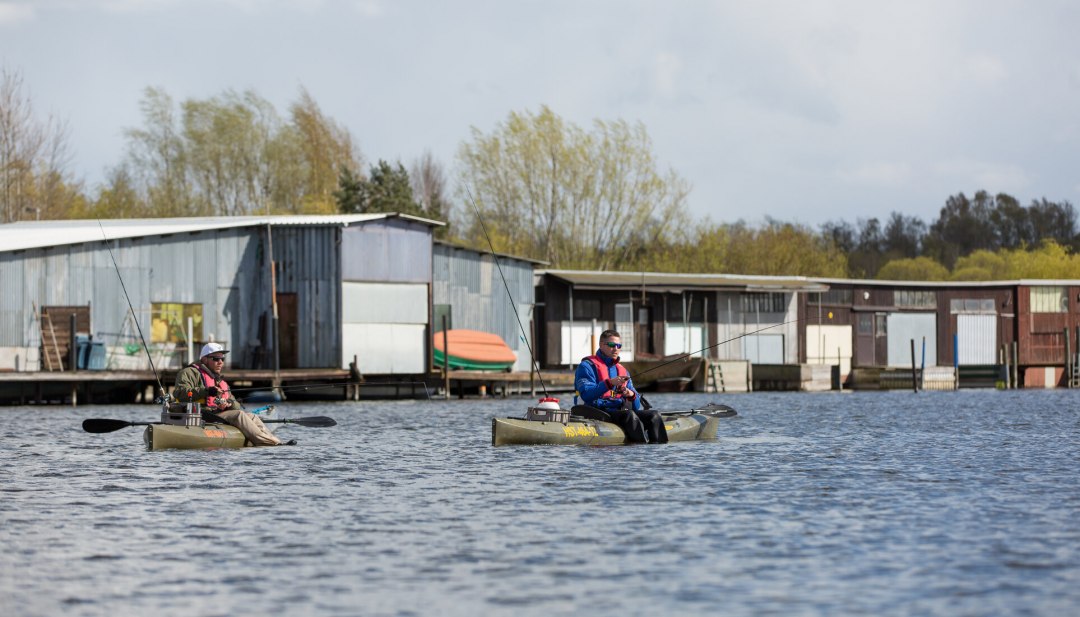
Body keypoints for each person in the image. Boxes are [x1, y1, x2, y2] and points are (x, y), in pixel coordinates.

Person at [173, 343, 295, 446]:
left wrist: (228, 404)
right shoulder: (189, 373)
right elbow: (180, 393)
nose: (220, 362)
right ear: (204, 359)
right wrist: (207, 390)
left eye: (222, 359)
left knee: (252, 416)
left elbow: (236, 406)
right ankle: (269, 443)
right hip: (201, 414)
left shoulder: (220, 381)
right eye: (216, 359)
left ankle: (276, 441)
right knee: (239, 415)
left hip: (217, 414)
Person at [574, 329, 667, 444]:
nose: (616, 349)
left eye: (619, 345)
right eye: (612, 345)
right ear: (601, 345)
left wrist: (631, 395)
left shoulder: (622, 370)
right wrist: (609, 383)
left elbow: (636, 407)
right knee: (629, 415)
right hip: (596, 410)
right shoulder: (586, 366)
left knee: (654, 415)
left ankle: (658, 453)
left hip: (618, 411)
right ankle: (641, 452)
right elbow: (587, 395)